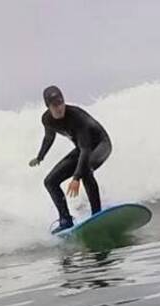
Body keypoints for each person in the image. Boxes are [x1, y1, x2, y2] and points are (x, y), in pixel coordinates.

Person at [29, 85, 113, 234]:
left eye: (61, 103)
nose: (59, 108)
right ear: (48, 106)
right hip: (82, 149)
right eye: (55, 105)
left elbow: (86, 148)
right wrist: (40, 156)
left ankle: (97, 215)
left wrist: (76, 177)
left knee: (85, 171)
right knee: (50, 182)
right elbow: (49, 137)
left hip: (101, 145)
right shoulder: (47, 119)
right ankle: (65, 220)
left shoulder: (76, 116)